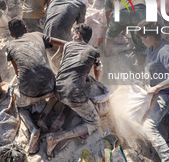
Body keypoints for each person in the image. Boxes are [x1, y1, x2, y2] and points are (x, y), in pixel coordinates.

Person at [6, 19, 66, 154]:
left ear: (11, 34)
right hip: (49, 85)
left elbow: (17, 72)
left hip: (28, 91)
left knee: (22, 107)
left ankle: (33, 128)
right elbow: (63, 43)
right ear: (26, 29)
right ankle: (43, 117)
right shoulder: (38, 35)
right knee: (55, 96)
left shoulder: (9, 46)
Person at [46, 24, 101, 157]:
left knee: (70, 100)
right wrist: (97, 80)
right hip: (73, 95)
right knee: (95, 122)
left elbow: (66, 64)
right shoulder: (94, 52)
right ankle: (57, 137)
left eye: (73, 34)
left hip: (58, 89)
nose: (72, 36)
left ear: (78, 35)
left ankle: (57, 121)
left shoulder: (68, 45)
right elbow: (98, 69)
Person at [135, 21, 169, 162]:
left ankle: (168, 159)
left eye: (141, 38)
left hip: (165, 94)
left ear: (149, 37)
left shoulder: (165, 51)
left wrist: (157, 88)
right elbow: (148, 66)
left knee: (148, 127)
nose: (141, 41)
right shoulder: (152, 48)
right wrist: (146, 80)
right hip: (152, 90)